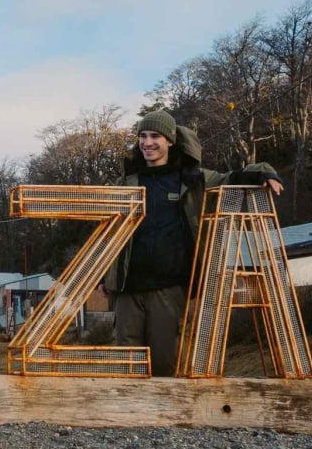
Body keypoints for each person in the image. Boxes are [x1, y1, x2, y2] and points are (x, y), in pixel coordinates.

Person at [103, 109, 282, 377]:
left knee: (166, 362)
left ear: (170, 141)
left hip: (169, 288)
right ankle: (132, 419)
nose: (147, 143)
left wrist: (264, 173)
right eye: (142, 136)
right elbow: (108, 232)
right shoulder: (126, 182)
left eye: (155, 136)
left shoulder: (191, 178)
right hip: (128, 288)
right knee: (126, 366)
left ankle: (165, 419)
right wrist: (104, 276)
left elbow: (231, 178)